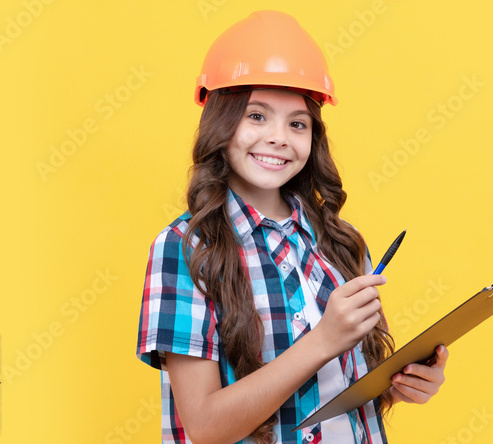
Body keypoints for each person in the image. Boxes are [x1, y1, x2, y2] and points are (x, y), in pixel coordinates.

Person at [135, 10, 447, 444]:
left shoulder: (341, 242)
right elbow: (204, 427)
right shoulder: (186, 248)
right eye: (257, 116)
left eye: (297, 123)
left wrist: (400, 386)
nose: (280, 137)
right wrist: (322, 341)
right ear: (221, 125)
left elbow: (334, 398)